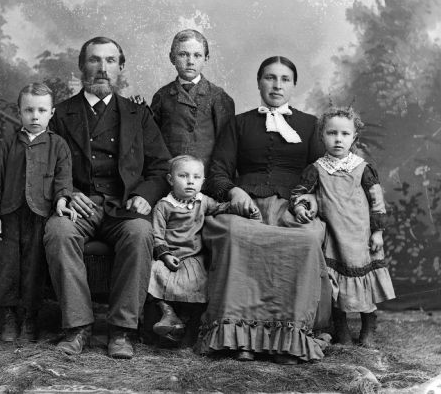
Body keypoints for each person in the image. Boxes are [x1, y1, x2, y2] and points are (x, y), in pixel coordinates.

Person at [43, 36, 171, 359]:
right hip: (78, 208)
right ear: (82, 66)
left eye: (110, 61)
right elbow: (43, 166)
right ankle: (77, 328)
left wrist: (145, 194)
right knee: (57, 232)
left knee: (141, 232)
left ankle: (122, 330)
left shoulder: (137, 115)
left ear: (121, 68)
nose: (102, 69)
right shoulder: (59, 114)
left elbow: (160, 167)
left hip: (122, 207)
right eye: (95, 60)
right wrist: (67, 192)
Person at [199, 56, 330, 364]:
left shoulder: (310, 125)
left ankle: (288, 337)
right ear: (259, 82)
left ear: (294, 85)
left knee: (308, 238)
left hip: (292, 206)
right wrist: (234, 190)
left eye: (284, 79)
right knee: (233, 233)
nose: (277, 85)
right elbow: (218, 170)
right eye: (270, 78)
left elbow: (323, 170)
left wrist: (311, 198)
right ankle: (239, 337)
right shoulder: (239, 123)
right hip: (246, 205)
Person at [290, 106, 395, 347]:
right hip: (334, 238)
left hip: (361, 237)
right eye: (332, 133)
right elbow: (299, 193)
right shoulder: (316, 169)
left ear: (354, 138)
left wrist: (377, 231)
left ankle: (369, 324)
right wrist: (299, 206)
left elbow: (377, 201)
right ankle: (342, 329)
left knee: (363, 282)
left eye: (345, 134)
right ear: (322, 136)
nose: (338, 139)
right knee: (335, 287)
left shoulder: (362, 168)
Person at [0, 83, 75, 342]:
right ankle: (10, 317)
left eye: (41, 110)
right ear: (19, 112)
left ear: (51, 113)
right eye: (29, 110)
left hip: (40, 215)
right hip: (10, 214)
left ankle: (30, 319)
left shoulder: (58, 145)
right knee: (9, 267)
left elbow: (63, 179)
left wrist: (61, 200)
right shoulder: (9, 143)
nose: (35, 116)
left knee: (34, 268)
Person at [149, 155, 260, 346]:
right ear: (170, 180)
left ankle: (182, 322)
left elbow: (220, 208)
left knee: (198, 281)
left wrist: (240, 208)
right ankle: (167, 312)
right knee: (154, 273)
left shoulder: (203, 202)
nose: (190, 181)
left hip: (193, 256)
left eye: (196, 177)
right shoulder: (163, 206)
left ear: (203, 181)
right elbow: (157, 235)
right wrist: (165, 255)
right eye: (183, 176)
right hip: (169, 254)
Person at [150, 29, 235, 165]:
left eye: (197, 55)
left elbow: (226, 147)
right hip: (171, 174)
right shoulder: (162, 96)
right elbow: (153, 141)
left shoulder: (218, 96)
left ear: (206, 59)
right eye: (183, 54)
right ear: (172, 58)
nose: (190, 61)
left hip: (204, 176)